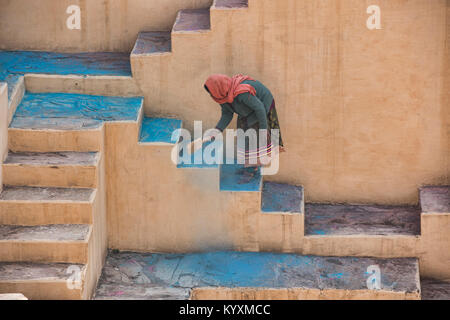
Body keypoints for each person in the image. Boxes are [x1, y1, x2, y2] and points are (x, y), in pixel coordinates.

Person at [199, 73, 284, 167]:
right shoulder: (222, 96)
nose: (211, 95)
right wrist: (216, 131)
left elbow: (260, 108)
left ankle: (255, 164)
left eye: (212, 91)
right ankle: (249, 162)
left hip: (262, 104)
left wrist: (263, 129)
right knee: (243, 131)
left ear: (218, 88)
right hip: (247, 108)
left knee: (255, 132)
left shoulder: (241, 93)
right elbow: (227, 114)